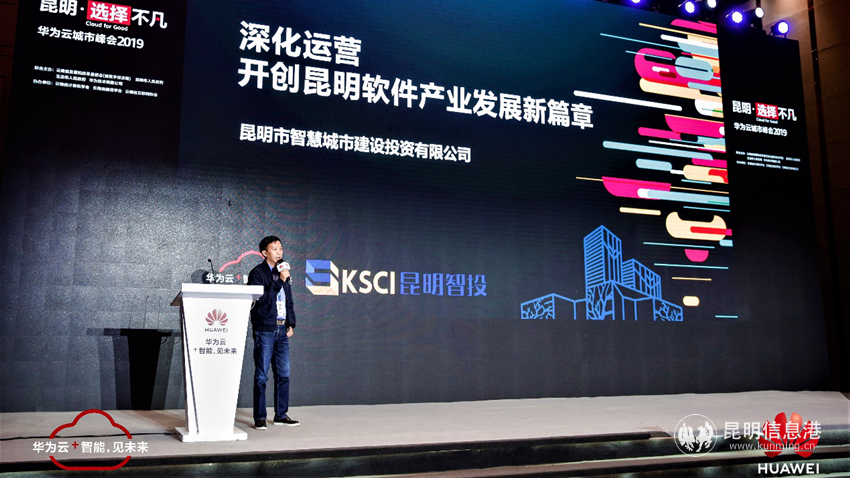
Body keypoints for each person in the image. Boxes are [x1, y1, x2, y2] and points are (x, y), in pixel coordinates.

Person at [248, 235, 299, 429]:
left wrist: (290, 323)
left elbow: (288, 300)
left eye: (280, 248)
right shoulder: (257, 273)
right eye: (274, 249)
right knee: (262, 375)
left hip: (282, 330)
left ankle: (281, 415)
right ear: (264, 253)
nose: (279, 252)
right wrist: (280, 280)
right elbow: (262, 301)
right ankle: (260, 417)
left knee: (284, 374)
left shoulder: (283, 271)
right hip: (265, 330)